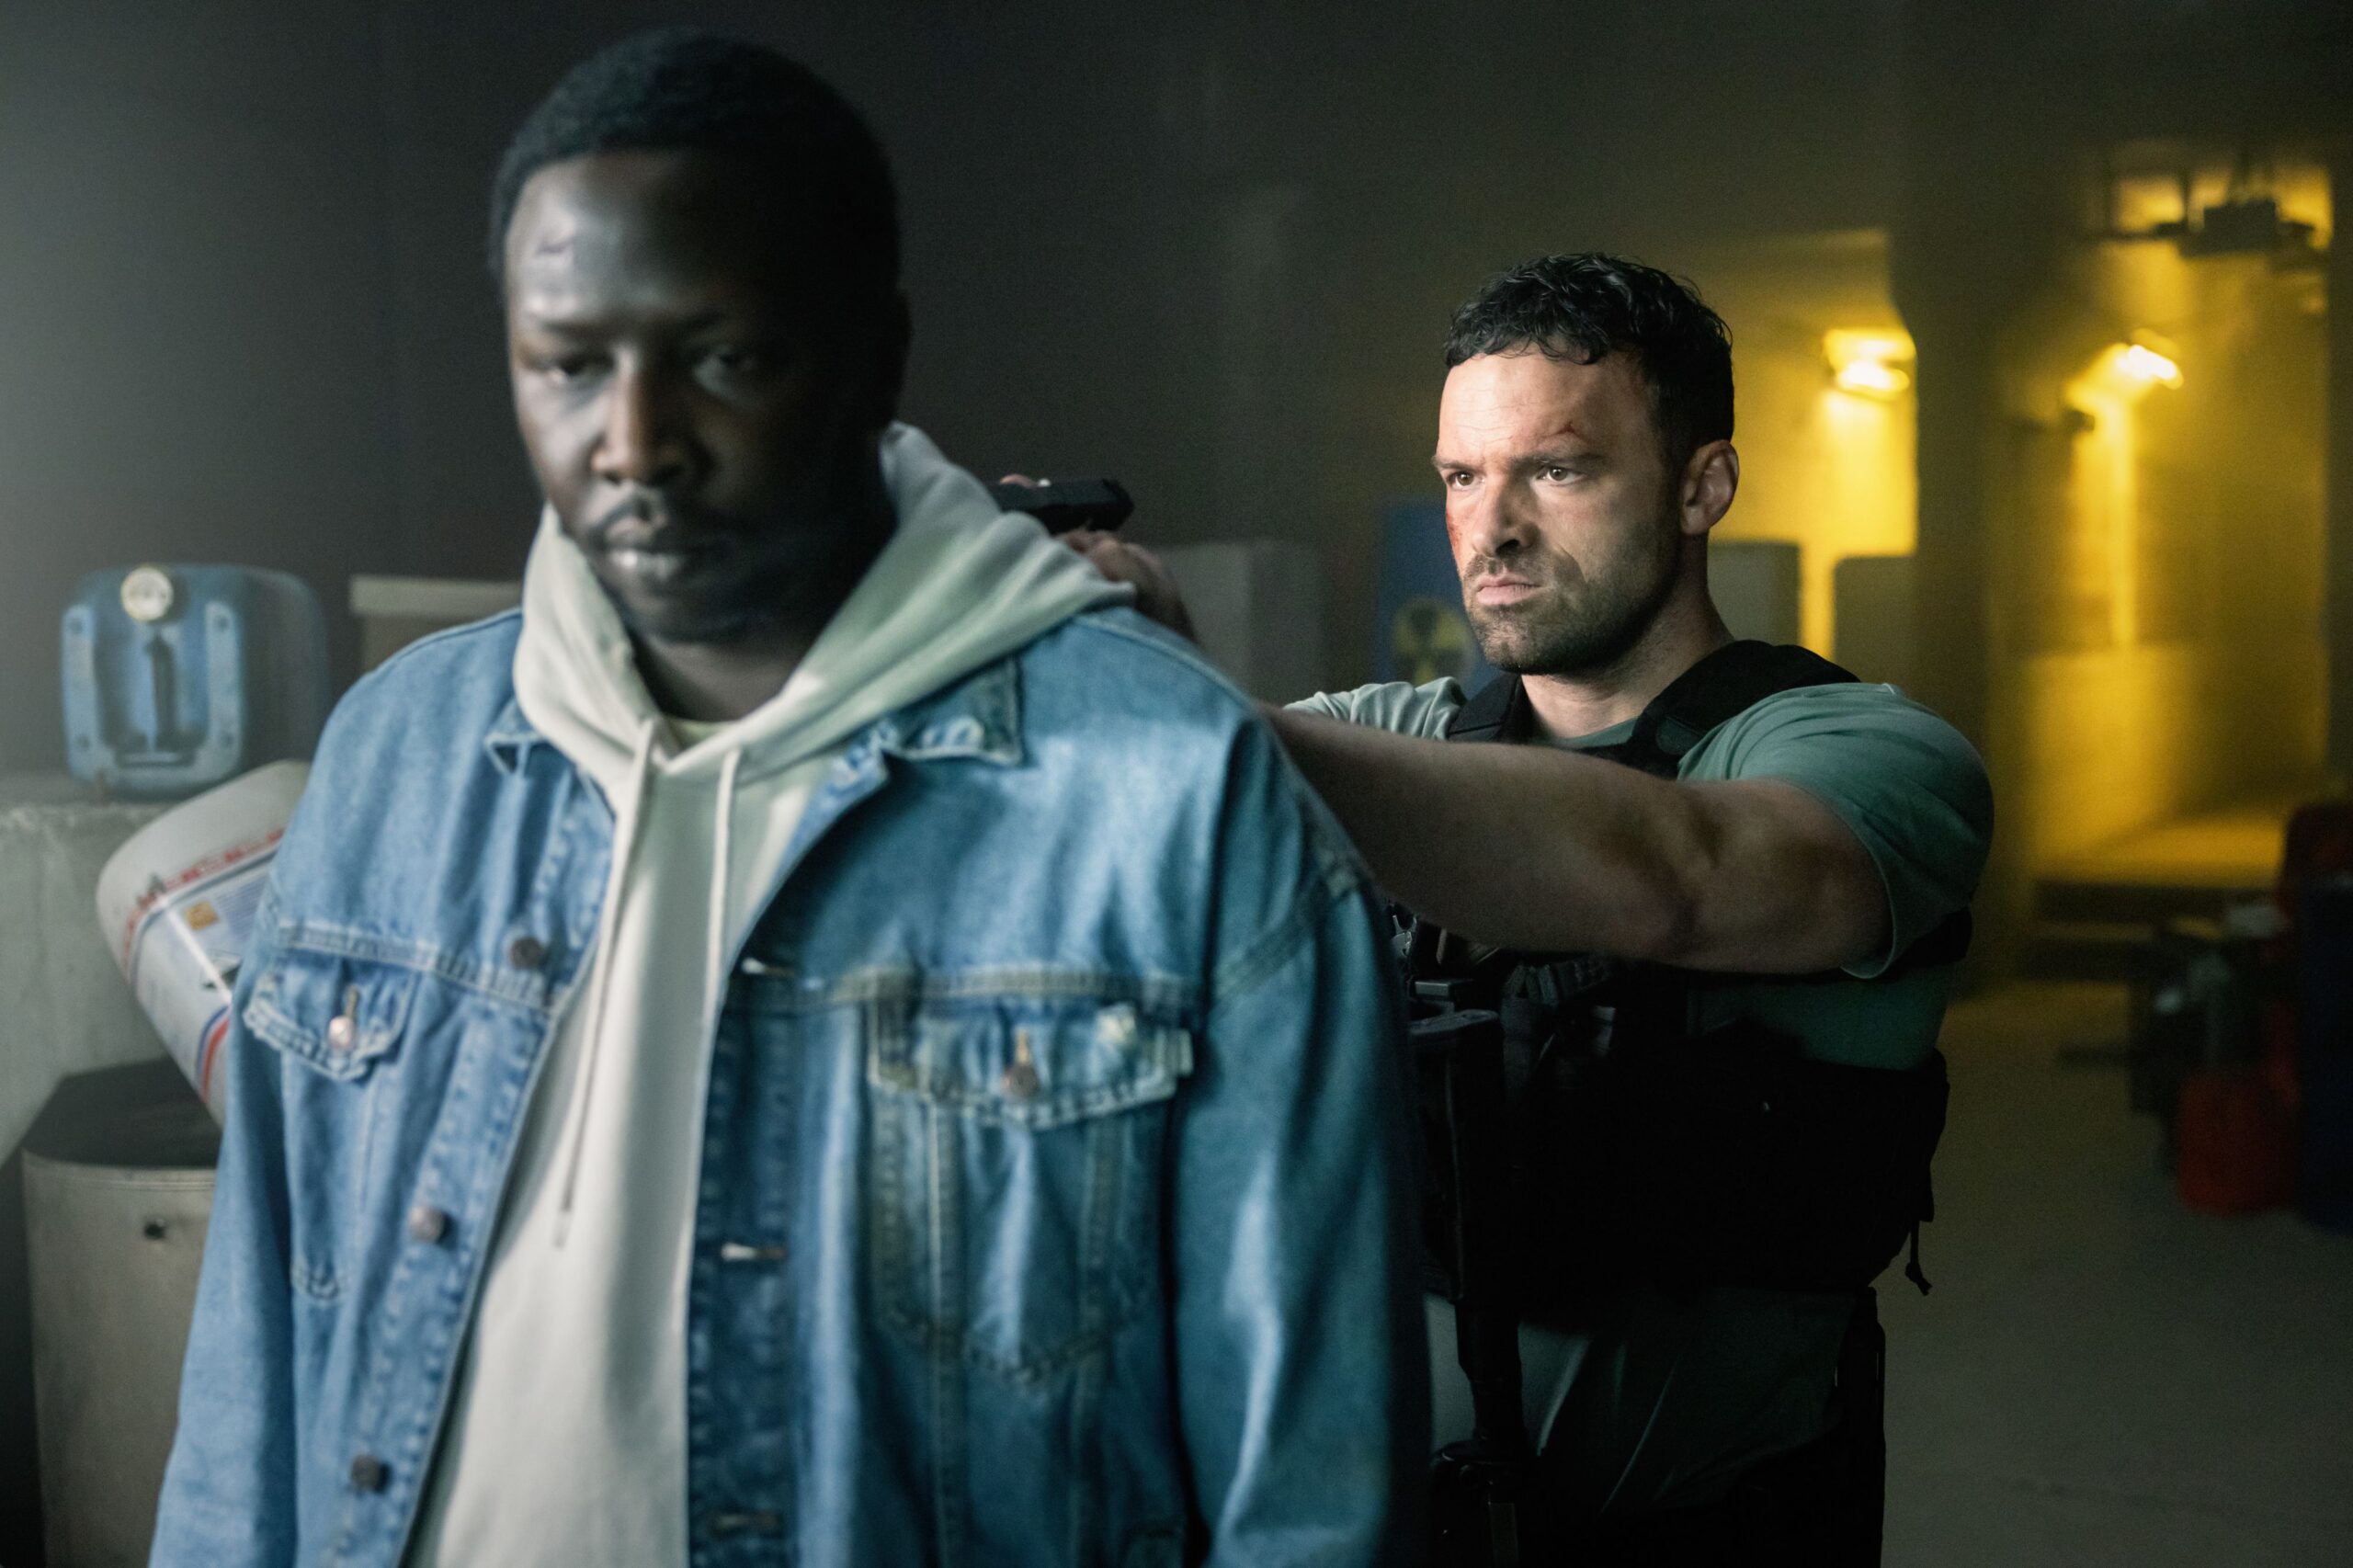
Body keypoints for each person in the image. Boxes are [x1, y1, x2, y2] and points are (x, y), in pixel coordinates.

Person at [148, 29, 1427, 1567]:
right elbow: (248, 1408)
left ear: (876, 357)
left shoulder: (1174, 797)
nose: (635, 445)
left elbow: (1312, 1504)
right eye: (568, 364)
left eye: (727, 358)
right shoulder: (395, 755)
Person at [1079, 254, 1993, 1560]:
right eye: (1462, 477)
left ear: (1702, 486)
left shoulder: (1868, 755)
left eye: (1555, 470)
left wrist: (1210, 726)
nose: (1491, 527)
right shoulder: (1392, 737)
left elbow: (1681, 876)